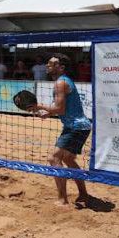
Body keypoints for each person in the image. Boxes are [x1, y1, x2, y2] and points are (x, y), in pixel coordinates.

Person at [29, 54, 92, 207]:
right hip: (79, 126)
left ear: (61, 67)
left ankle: (62, 199)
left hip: (76, 127)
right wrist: (48, 113)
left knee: (53, 158)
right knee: (69, 159)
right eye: (48, 62)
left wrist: (40, 106)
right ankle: (83, 193)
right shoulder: (62, 81)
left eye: (52, 63)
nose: (47, 65)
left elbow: (60, 108)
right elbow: (61, 108)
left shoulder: (61, 83)